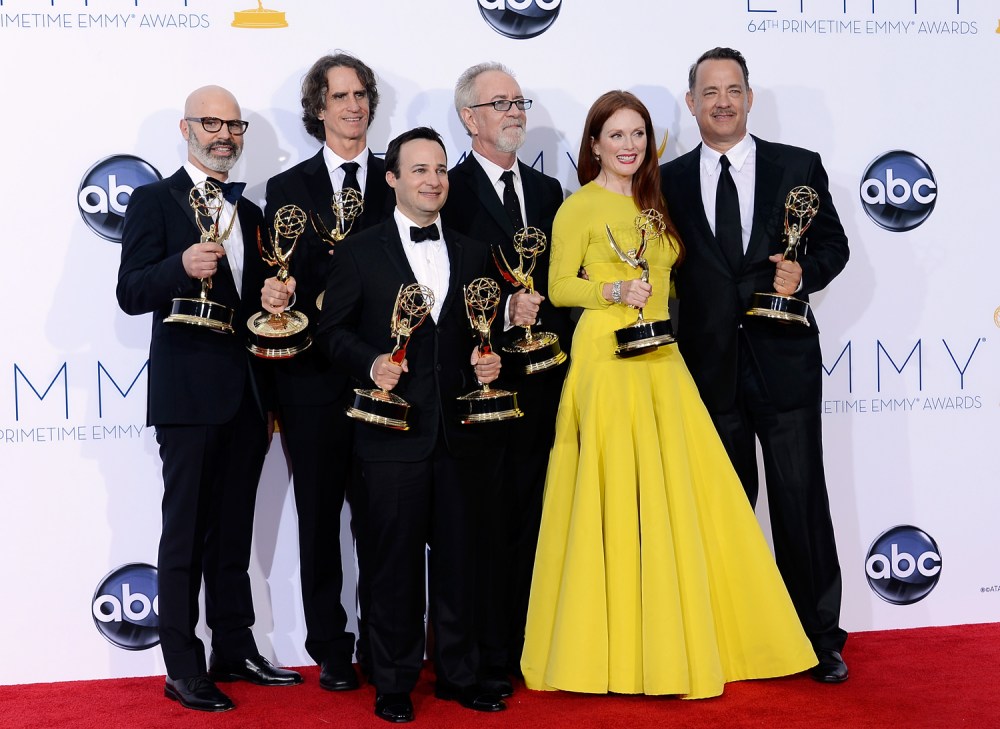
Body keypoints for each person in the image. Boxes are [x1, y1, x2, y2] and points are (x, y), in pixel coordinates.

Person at [520, 90, 817, 699]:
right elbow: (554, 288)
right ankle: (611, 650)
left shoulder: (659, 205)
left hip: (662, 359)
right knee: (616, 500)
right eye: (616, 135)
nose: (628, 146)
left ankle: (678, 639)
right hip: (607, 358)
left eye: (637, 135)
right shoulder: (579, 206)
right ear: (594, 144)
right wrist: (609, 293)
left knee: (678, 499)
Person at [659, 47, 850, 683]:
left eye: (733, 89)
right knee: (725, 506)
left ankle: (820, 636)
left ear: (749, 97)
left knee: (800, 501)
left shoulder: (798, 167)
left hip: (783, 362)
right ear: (691, 103)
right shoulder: (668, 180)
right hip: (706, 368)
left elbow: (833, 244)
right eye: (709, 91)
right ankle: (734, 634)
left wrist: (806, 274)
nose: (722, 101)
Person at [116, 85, 302, 713]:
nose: (225, 134)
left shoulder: (250, 213)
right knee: (185, 533)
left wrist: (271, 303)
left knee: (233, 532)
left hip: (247, 394)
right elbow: (131, 292)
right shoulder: (152, 201)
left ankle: (235, 646)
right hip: (188, 395)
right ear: (186, 127)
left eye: (235, 124)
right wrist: (180, 265)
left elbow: (245, 306)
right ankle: (182, 664)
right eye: (211, 123)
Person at [315, 127, 507, 723]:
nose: (433, 181)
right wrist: (372, 361)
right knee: (392, 564)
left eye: (441, 170)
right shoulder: (358, 251)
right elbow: (330, 333)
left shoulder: (476, 253)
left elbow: (480, 333)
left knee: (460, 561)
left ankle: (459, 674)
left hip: (460, 434)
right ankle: (393, 680)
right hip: (391, 435)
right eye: (419, 170)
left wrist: (490, 357)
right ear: (392, 179)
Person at [259, 52, 394, 693]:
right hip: (311, 381)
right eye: (340, 95)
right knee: (319, 519)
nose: (354, 105)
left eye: (361, 93)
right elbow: (280, 276)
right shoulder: (287, 188)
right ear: (319, 107)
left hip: (384, 376)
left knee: (382, 519)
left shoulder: (398, 177)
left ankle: (383, 643)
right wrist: (276, 297)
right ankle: (330, 646)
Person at [440, 61, 571, 696]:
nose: (515, 111)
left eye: (519, 101)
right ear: (470, 118)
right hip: (475, 383)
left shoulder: (549, 194)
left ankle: (526, 644)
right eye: (501, 103)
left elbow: (561, 283)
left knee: (530, 517)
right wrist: (495, 310)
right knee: (477, 527)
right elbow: (433, 283)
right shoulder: (446, 189)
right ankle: (480, 655)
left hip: (541, 382)